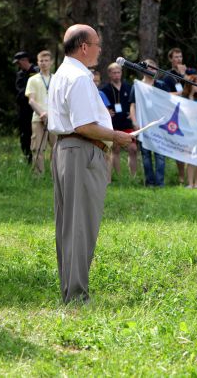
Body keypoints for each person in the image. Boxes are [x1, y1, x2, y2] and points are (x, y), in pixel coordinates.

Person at [48, 24, 132, 303]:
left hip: (65, 150)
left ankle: (69, 290)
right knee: (82, 224)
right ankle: (77, 295)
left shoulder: (62, 73)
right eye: (97, 44)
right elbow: (84, 125)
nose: (99, 49)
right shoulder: (80, 78)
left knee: (69, 225)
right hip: (81, 151)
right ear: (84, 47)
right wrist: (115, 136)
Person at [129, 59, 167, 188]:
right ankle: (149, 182)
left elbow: (168, 104)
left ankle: (160, 183)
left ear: (156, 70)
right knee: (145, 155)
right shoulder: (137, 86)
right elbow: (132, 105)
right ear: (142, 69)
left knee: (160, 155)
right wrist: (134, 121)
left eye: (153, 68)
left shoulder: (161, 85)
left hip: (160, 126)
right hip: (143, 126)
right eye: (148, 68)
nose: (151, 70)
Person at [101, 62, 138, 178]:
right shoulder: (105, 89)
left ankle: (133, 176)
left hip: (127, 124)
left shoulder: (129, 87)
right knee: (115, 149)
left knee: (133, 149)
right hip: (113, 124)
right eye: (114, 73)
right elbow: (101, 106)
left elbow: (134, 104)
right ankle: (119, 176)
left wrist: (132, 115)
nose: (117, 75)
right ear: (109, 74)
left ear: (121, 73)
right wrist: (106, 112)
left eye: (118, 72)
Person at [25, 50, 57, 175]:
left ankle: (57, 175)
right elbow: (31, 100)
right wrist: (42, 113)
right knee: (37, 148)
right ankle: (38, 176)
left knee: (57, 149)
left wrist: (53, 115)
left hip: (54, 119)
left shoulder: (56, 79)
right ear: (38, 63)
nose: (43, 63)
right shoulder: (33, 79)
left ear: (51, 62)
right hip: (38, 118)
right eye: (41, 61)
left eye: (46, 61)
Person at [165, 48, 186, 183]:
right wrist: (179, 94)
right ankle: (182, 176)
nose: (178, 59)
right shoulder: (167, 76)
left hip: (190, 112)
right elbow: (165, 95)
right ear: (171, 59)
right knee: (180, 144)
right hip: (176, 114)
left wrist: (184, 76)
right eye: (176, 57)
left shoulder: (189, 73)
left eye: (180, 56)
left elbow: (195, 89)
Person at [14, 51, 38, 164]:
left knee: (37, 135)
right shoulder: (20, 74)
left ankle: (37, 158)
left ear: (24, 60)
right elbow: (19, 92)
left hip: (37, 109)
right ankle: (28, 158)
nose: (18, 66)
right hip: (24, 109)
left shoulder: (37, 71)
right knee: (24, 135)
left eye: (19, 63)